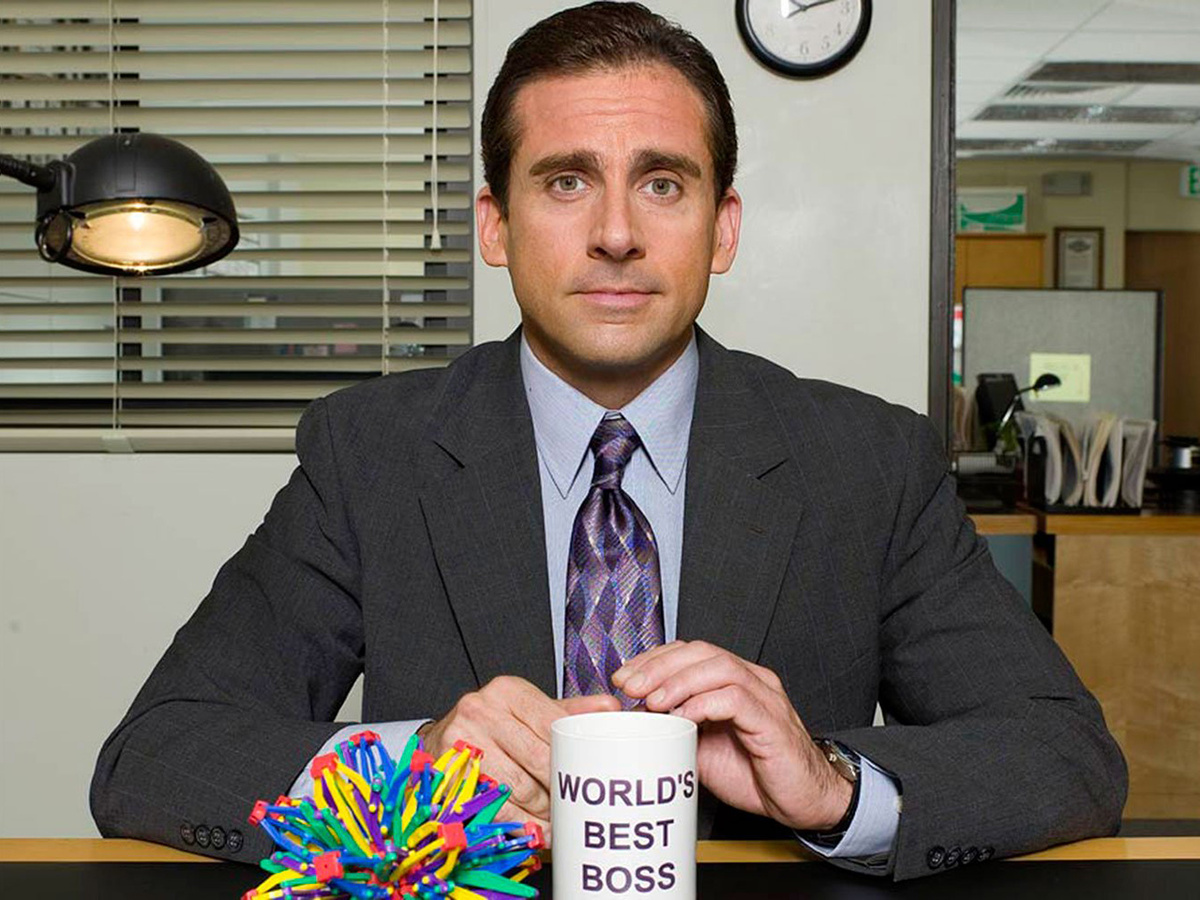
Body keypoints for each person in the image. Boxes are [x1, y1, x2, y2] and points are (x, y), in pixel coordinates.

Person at [90, 2, 1126, 881]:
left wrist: (831, 785)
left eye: (663, 183)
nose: (618, 233)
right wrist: (408, 771)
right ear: (496, 226)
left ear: (723, 227)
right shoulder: (371, 454)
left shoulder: (869, 461)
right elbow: (156, 756)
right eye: (566, 181)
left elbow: (1066, 754)